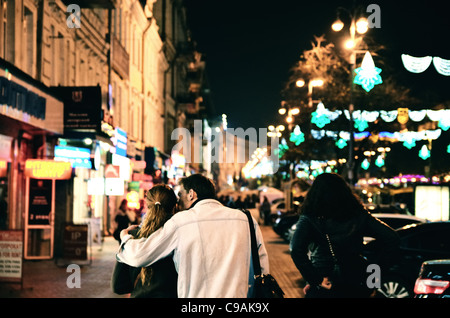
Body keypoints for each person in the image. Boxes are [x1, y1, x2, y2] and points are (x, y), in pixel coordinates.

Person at [116, 173, 269, 298]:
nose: (178, 200)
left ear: (191, 194)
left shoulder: (181, 222)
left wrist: (125, 237)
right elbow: (261, 264)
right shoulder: (246, 219)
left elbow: (141, 255)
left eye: (180, 194)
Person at [290, 173, 400, 298]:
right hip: (356, 282)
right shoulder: (358, 215)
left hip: (325, 282)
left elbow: (296, 249)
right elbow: (392, 238)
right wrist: (373, 277)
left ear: (315, 193)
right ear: (344, 192)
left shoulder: (310, 217)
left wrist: (315, 278)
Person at [111, 184, 178, 298]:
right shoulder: (180, 233)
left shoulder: (132, 235)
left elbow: (118, 285)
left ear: (147, 206)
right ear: (174, 206)